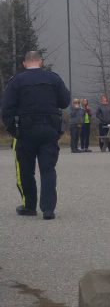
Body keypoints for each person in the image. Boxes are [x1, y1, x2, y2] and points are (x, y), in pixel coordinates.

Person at [1, 51, 70, 220]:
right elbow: (65, 101)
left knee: (25, 170)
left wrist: (13, 130)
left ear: (25, 63)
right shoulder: (54, 79)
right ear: (41, 62)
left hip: (25, 131)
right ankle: (48, 209)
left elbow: (6, 108)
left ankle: (29, 206)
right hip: (49, 130)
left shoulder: (16, 81)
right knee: (48, 169)